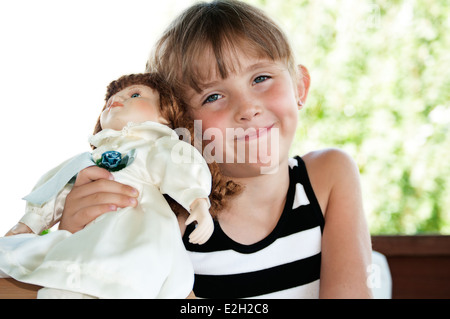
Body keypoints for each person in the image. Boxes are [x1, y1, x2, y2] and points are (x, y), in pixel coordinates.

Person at [8, 0, 373, 298]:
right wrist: (78, 237)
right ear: (177, 125)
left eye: (261, 78)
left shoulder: (328, 177)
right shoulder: (167, 212)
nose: (247, 108)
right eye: (213, 96)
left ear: (300, 86)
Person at [1, 73, 238, 298]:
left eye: (135, 95)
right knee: (64, 281)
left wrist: (197, 200)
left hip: (138, 231)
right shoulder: (90, 160)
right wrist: (30, 223)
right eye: (110, 100)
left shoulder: (157, 147)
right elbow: (59, 185)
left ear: (165, 116)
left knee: (129, 277)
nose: (116, 100)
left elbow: (178, 164)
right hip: (90, 239)